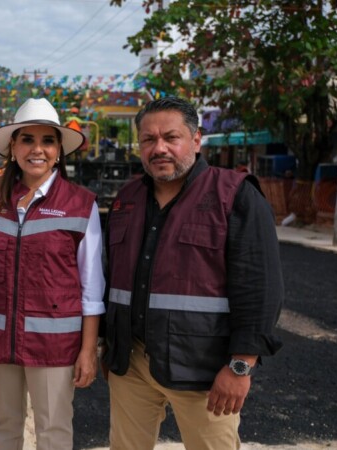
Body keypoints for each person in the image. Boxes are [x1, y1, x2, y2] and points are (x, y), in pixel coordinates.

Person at [101, 97, 284, 450]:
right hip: (132, 364)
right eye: (148, 140)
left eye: (172, 137)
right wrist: (111, 347)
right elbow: (112, 280)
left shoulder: (235, 196)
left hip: (203, 370)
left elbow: (261, 290)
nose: (160, 149)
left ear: (197, 139)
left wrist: (240, 367)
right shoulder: (126, 200)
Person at [0, 98, 105, 450]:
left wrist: (88, 350)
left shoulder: (80, 204)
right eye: (27, 139)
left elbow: (92, 287)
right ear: (12, 148)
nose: (37, 149)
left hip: (55, 346)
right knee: (4, 425)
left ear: (59, 150)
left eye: (47, 141)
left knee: (54, 431)